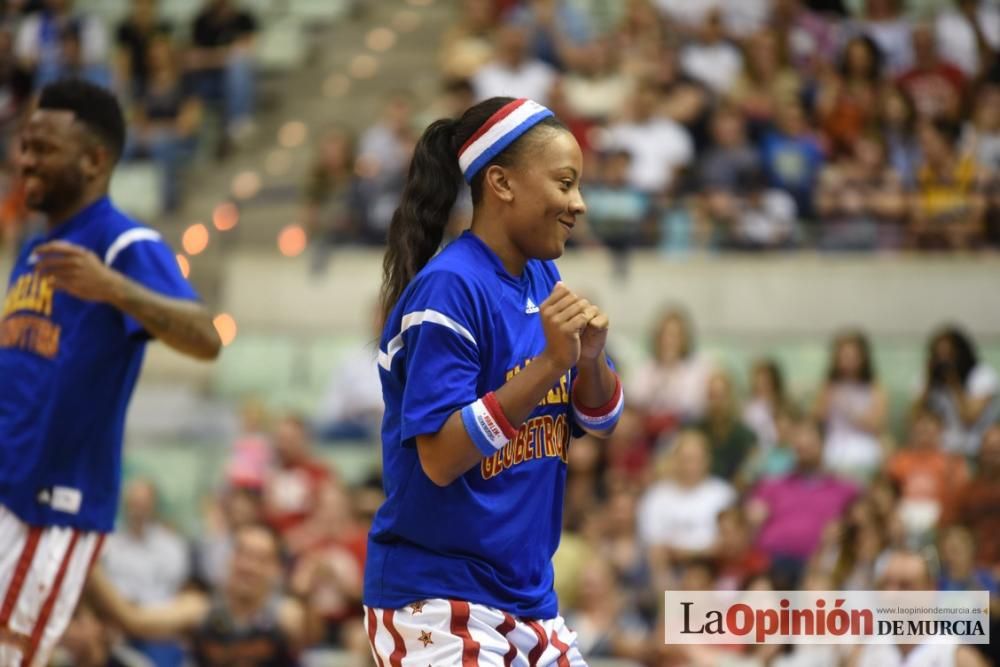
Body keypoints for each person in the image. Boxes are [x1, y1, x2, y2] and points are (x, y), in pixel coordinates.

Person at [363, 96, 621, 665]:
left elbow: (599, 421)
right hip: (437, 600)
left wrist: (590, 360)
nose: (578, 203)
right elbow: (441, 456)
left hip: (528, 600)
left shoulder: (540, 274)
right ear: (501, 183)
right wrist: (551, 364)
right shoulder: (450, 288)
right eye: (565, 183)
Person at [0, 79, 220, 666]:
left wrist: (114, 288)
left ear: (95, 160)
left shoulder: (121, 240)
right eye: (24, 146)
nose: (24, 160)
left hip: (49, 506)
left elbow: (205, 336)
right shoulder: (35, 245)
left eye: (42, 148)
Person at [87, 523, 312, 667]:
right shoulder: (198, 610)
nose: (248, 566)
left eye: (260, 558)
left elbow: (312, 632)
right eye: (243, 553)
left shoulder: (286, 615)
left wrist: (306, 597)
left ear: (275, 569)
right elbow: (131, 620)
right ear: (230, 559)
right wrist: (85, 558)